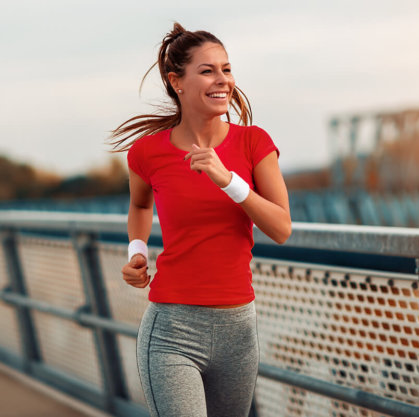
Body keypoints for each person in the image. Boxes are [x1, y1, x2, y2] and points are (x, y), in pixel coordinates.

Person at [110, 22, 291, 417]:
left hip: (239, 331)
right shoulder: (146, 153)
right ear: (177, 82)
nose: (222, 80)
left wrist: (228, 180)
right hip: (173, 328)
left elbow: (281, 228)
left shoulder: (254, 143)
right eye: (207, 70)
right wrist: (137, 250)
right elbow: (141, 206)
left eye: (226, 69)